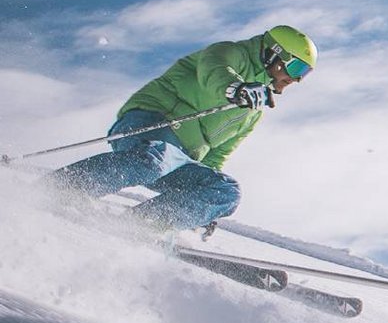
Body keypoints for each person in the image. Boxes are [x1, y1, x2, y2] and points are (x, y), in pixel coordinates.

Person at [50, 26, 318, 235]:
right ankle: (63, 188)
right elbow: (214, 72)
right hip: (148, 125)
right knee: (156, 157)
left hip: (176, 159)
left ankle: (140, 227)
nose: (294, 79)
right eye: (296, 67)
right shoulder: (230, 53)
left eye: (303, 75)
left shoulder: (253, 111)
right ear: (275, 53)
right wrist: (236, 89)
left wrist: (204, 209)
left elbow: (216, 156)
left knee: (226, 191)